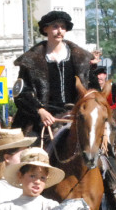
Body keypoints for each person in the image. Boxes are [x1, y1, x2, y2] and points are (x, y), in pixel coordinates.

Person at [11, 11, 93, 140]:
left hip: (76, 117)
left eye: (63, 27)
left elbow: (92, 90)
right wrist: (40, 111)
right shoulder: (30, 61)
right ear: (46, 29)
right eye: (55, 26)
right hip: (41, 121)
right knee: (27, 153)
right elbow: (21, 93)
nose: (59, 31)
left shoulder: (82, 59)